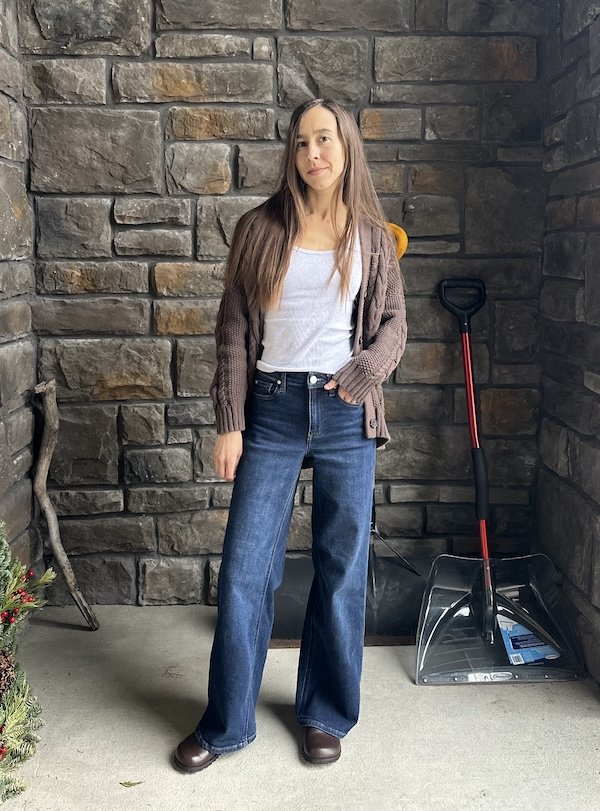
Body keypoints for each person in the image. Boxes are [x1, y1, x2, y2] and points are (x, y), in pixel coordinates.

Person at [173, 97, 408, 773]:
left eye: (325, 139)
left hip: (344, 412)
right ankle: (225, 724)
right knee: (246, 570)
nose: (314, 153)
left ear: (346, 147)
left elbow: (393, 321)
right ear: (292, 154)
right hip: (272, 409)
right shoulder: (258, 230)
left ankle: (325, 713)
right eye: (303, 142)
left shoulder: (369, 236)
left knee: (339, 569)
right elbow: (234, 333)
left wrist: (367, 371)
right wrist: (230, 422)